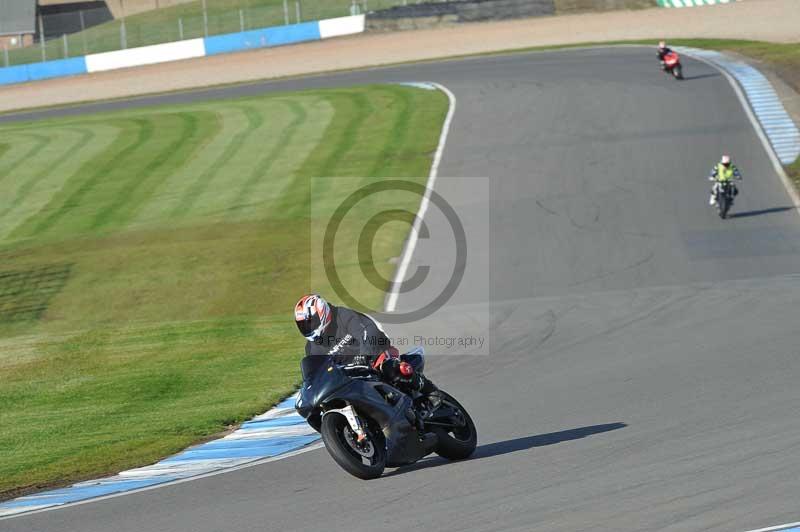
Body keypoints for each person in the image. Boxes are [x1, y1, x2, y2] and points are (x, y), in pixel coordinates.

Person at [294, 294, 442, 410]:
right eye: (303, 325)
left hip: (375, 355)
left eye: (310, 322)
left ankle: (431, 391)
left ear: (322, 312)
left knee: (389, 367)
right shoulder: (311, 347)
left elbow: (368, 331)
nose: (308, 327)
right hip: (349, 376)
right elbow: (316, 373)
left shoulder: (343, 316)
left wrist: (363, 356)